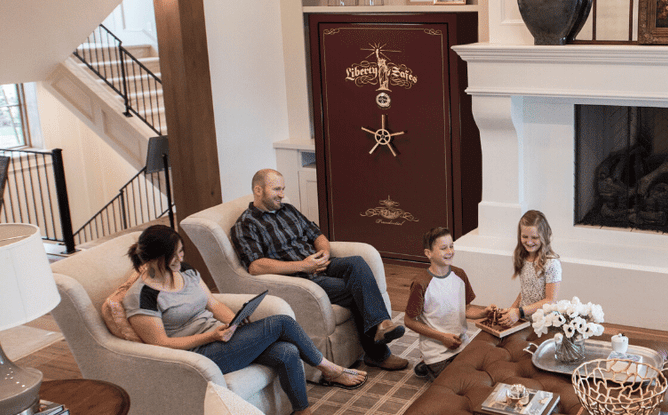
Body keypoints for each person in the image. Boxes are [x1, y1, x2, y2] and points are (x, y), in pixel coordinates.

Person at [124, 226, 365, 415]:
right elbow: (160, 343)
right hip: (198, 354)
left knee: (287, 351)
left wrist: (235, 322)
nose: (182, 256)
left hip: (220, 337)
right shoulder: (142, 296)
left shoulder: (184, 270)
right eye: (175, 253)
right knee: (281, 322)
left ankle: (303, 411)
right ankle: (328, 369)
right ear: (158, 257)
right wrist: (212, 336)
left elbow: (213, 304)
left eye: (181, 250)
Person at [230, 168, 409, 371]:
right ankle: (378, 353)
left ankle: (383, 325)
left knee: (357, 262)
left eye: (283, 189)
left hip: (320, 264)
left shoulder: (288, 210)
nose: (282, 194)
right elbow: (255, 266)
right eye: (276, 189)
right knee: (356, 288)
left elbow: (317, 234)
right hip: (302, 277)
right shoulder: (245, 225)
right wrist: (304, 265)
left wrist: (323, 252)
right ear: (258, 190)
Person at [403, 227, 496, 381]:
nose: (450, 251)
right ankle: (429, 364)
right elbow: (409, 321)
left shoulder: (459, 274)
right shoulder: (421, 283)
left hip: (461, 344)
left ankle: (427, 367)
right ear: (428, 253)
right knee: (459, 382)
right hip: (437, 352)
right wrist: (442, 337)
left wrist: (484, 312)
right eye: (443, 248)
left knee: (485, 370)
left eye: (451, 246)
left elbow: (466, 309)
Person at [495, 210, 562, 327]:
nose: (529, 242)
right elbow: (526, 291)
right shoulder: (523, 257)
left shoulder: (551, 263)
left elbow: (550, 300)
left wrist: (519, 312)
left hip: (543, 322)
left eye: (535, 237)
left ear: (544, 237)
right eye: (524, 236)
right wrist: (511, 310)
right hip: (524, 319)